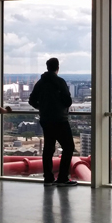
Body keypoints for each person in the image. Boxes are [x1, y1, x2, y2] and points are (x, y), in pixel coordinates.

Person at [28, 57, 77, 187]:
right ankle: (62, 178)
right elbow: (68, 101)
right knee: (69, 147)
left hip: (45, 119)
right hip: (60, 119)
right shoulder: (60, 82)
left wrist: (42, 108)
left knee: (48, 149)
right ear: (57, 68)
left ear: (47, 67)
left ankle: (48, 178)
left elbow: (32, 100)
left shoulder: (40, 82)